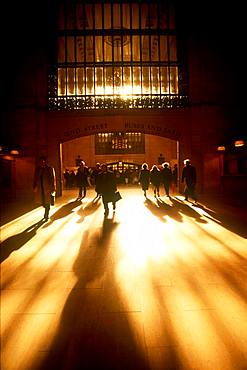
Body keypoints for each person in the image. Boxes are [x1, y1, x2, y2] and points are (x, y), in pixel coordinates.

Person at [33, 156, 56, 220]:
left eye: (43, 161)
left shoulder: (49, 168)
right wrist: (35, 186)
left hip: (48, 188)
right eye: (41, 161)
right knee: (43, 202)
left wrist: (52, 188)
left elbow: (53, 179)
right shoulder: (38, 169)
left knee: (47, 202)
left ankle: (46, 215)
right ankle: (46, 211)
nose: (42, 162)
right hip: (41, 189)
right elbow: (35, 178)